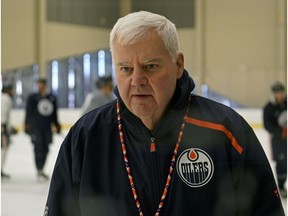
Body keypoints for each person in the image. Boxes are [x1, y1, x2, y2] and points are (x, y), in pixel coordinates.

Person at [44, 11, 285, 216]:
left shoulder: (225, 131)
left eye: (150, 66)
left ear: (178, 65)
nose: (137, 80)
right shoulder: (86, 138)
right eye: (126, 68)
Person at [24, 78, 61, 181]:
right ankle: (39, 169)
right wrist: (27, 125)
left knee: (46, 148)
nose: (40, 86)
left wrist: (57, 125)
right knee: (38, 148)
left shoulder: (52, 98)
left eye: (42, 84)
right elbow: (28, 112)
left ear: (45, 85)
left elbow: (54, 114)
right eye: (38, 84)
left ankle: (42, 169)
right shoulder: (33, 98)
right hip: (36, 127)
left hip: (47, 128)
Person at [263, 81, 287, 198]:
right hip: (278, 141)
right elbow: (267, 125)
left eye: (281, 92)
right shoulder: (269, 108)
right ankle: (281, 186)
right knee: (281, 163)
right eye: (277, 93)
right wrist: (280, 131)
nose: (279, 95)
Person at [1, 84, 14, 178]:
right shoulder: (5, 99)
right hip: (2, 129)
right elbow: (2, 114)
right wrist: (4, 129)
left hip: (3, 127)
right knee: (3, 149)